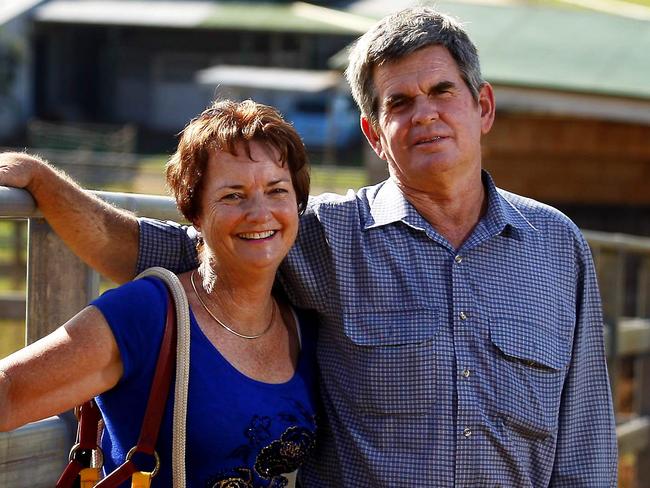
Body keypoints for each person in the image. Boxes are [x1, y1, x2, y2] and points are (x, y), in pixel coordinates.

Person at [0, 6, 617, 487]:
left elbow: (585, 440)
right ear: (375, 134)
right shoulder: (323, 236)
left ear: (482, 106)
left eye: (442, 91)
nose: (424, 114)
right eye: (399, 102)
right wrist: (46, 185)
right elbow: (160, 251)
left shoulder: (557, 247)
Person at [0, 99, 319, 487]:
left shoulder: (303, 324)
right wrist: (34, 175)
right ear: (194, 212)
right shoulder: (148, 314)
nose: (259, 212)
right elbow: (9, 393)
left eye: (276, 191)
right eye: (233, 195)